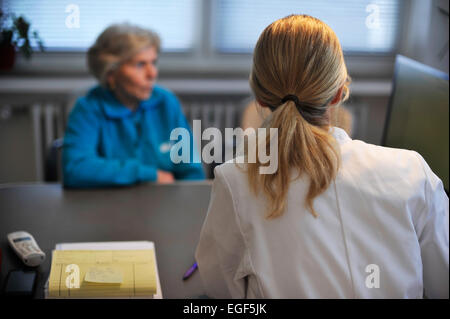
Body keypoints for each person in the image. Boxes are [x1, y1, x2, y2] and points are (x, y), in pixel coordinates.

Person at [195, 15, 449, 298]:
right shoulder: (412, 172)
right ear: (340, 92)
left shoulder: (236, 180)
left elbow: (220, 288)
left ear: (260, 99)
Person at [63, 24, 205, 187]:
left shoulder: (166, 102)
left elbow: (192, 172)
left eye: (153, 62)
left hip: (163, 205)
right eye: (139, 64)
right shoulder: (88, 108)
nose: (152, 74)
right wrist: (149, 174)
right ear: (110, 73)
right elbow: (75, 170)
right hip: (106, 206)